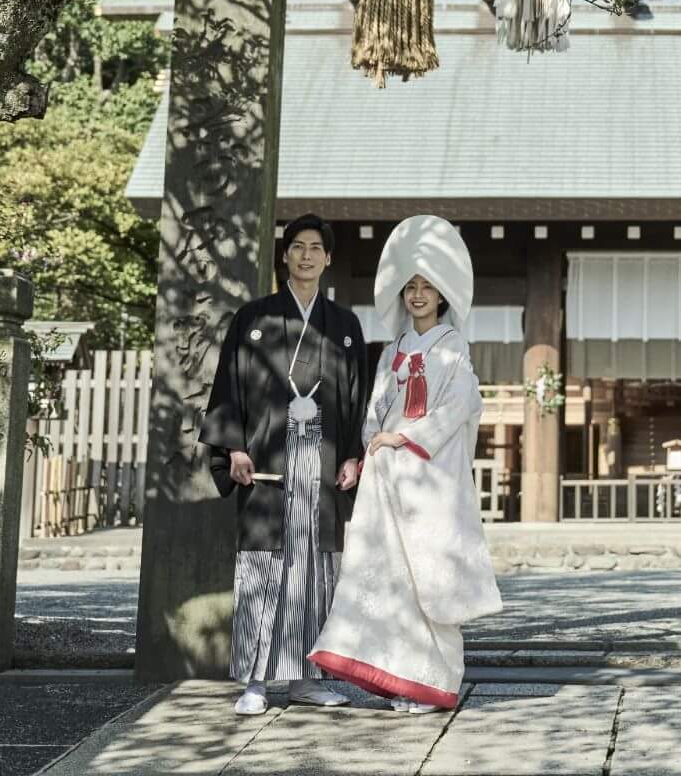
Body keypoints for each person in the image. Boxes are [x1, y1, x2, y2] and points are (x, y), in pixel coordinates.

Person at [309, 214, 502, 712]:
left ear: (442, 296)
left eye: (427, 288)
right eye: (410, 287)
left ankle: (434, 682)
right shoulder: (393, 350)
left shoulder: (453, 347)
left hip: (427, 477)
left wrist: (404, 436)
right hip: (388, 476)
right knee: (389, 577)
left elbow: (459, 405)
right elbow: (375, 406)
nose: (417, 295)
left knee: (428, 579)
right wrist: (375, 438)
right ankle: (398, 679)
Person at [202, 213, 368, 716]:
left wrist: (355, 455)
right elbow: (228, 386)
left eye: (317, 247)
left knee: (316, 570)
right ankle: (254, 681)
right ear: (286, 255)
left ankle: (306, 680)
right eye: (298, 246)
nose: (307, 255)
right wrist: (233, 447)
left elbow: (359, 399)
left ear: (328, 258)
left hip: (321, 463)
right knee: (263, 568)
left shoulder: (345, 325)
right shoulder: (253, 319)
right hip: (267, 460)